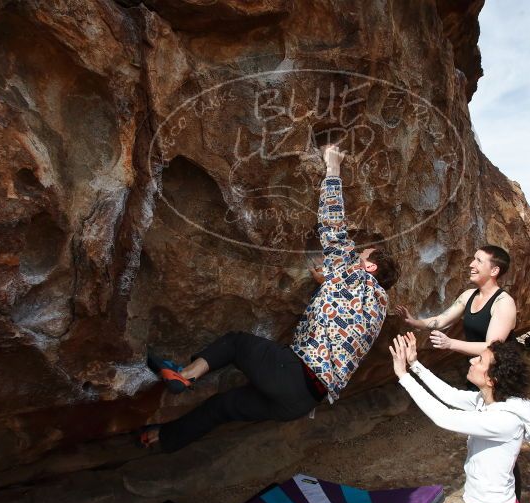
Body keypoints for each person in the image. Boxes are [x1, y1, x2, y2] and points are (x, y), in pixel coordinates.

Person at [136, 144, 400, 452]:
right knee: (223, 407)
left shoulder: (356, 277)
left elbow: (334, 228)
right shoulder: (378, 306)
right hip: (302, 402)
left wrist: (333, 168)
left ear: (370, 267)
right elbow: (337, 321)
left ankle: (183, 376)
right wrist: (326, 284)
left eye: (361, 256)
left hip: (293, 375)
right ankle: (158, 437)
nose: (355, 257)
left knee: (235, 343)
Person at [390, 332, 530, 503]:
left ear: (491, 380)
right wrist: (415, 364)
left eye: (480, 360)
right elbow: (450, 396)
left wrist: (403, 375)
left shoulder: (505, 420)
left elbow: (444, 416)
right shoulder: (489, 400)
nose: (472, 360)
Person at [395, 245, 516, 357]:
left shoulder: (503, 303)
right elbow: (440, 321)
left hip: (500, 374)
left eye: (479, 261)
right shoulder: (468, 296)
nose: (471, 264)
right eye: (474, 259)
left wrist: (450, 343)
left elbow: (491, 348)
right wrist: (413, 322)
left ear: (494, 271)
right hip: (476, 369)